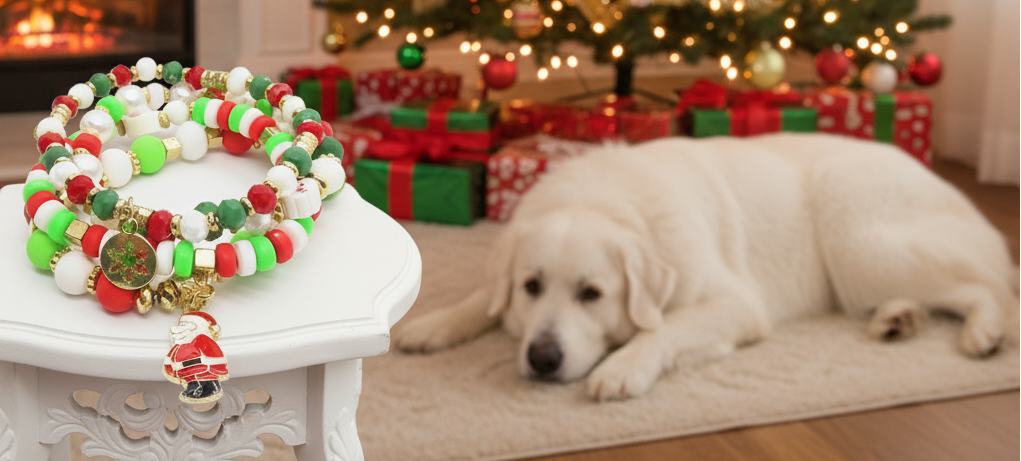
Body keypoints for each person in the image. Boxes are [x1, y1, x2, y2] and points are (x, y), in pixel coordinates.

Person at [163, 311, 229, 403]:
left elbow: (214, 353)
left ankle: (210, 389)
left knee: (205, 379)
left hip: (203, 368)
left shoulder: (201, 338)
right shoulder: (180, 343)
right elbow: (172, 354)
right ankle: (192, 388)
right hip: (185, 369)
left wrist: (210, 362)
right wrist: (168, 363)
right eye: (181, 325)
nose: (181, 328)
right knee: (191, 381)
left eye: (187, 325)